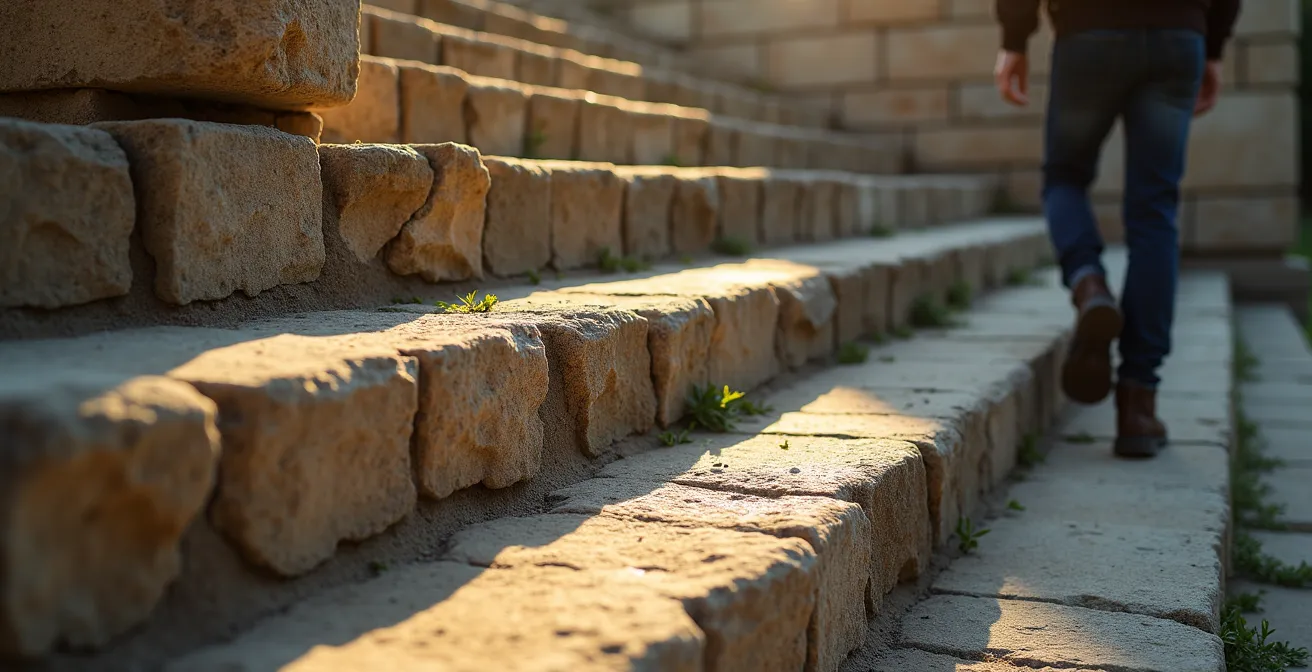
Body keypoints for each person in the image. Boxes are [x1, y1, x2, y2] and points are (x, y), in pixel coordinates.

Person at [994, 0, 1241, 458]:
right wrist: (1213, 45)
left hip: (1089, 32)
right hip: (1177, 35)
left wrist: (1015, 37)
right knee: (1155, 211)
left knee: (1065, 178)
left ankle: (1090, 285)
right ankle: (1138, 407)